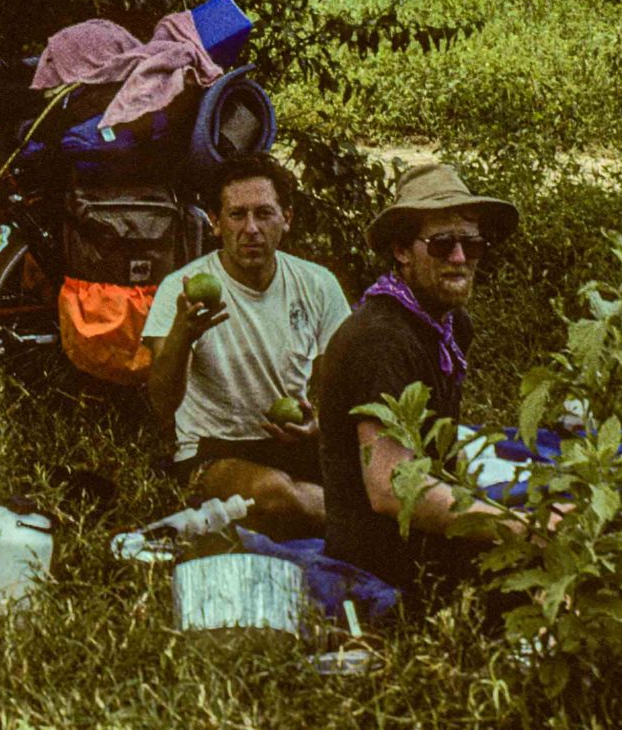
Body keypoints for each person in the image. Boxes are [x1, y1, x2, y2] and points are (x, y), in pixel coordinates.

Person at [314, 162, 547, 607]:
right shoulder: (380, 340)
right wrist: (520, 527)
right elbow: (390, 490)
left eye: (471, 244)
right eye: (442, 244)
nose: (459, 258)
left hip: (430, 533)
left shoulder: (450, 325)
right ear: (402, 251)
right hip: (383, 554)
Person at [141, 154, 351, 537]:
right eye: (237, 215)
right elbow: (162, 404)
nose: (251, 229)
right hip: (213, 450)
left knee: (382, 470)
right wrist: (182, 336)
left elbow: (341, 386)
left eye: (264, 213)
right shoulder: (182, 289)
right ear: (215, 223)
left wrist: (319, 426)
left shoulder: (318, 284)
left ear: (286, 218)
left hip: (293, 441)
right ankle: (367, 523)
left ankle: (352, 515)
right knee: (277, 496)